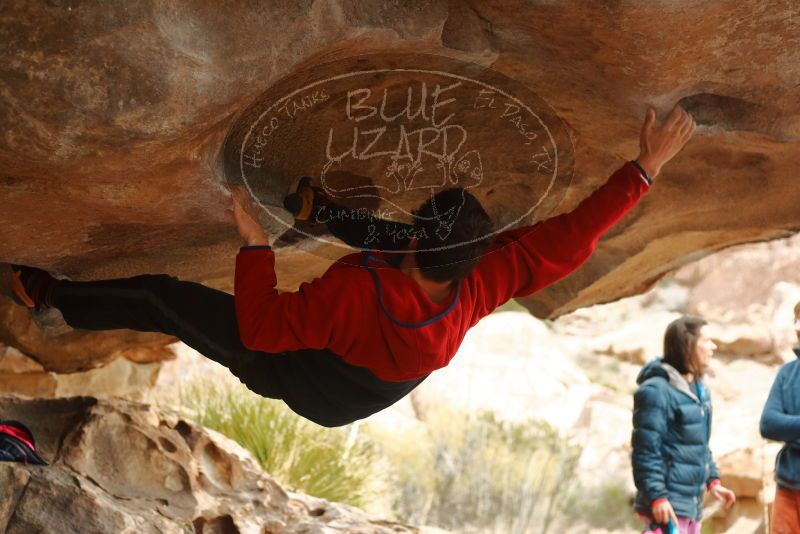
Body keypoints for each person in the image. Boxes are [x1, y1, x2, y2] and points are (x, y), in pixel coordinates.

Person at [10, 105, 695, 427]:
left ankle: (49, 294)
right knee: (378, 237)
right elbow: (574, 237)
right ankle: (323, 209)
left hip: (306, 381)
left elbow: (263, 327)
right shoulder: (482, 276)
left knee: (165, 301)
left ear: (414, 255)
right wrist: (646, 167)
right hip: (377, 368)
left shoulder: (353, 303)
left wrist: (252, 245)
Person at [632, 316, 736, 534]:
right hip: (667, 506)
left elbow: (698, 444)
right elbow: (645, 451)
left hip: (691, 506)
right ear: (688, 343)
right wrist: (657, 497)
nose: (713, 346)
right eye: (707, 340)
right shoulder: (656, 391)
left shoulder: (699, 390)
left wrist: (712, 481)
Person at [759, 301, 800, 534]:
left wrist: (791, 431)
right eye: (797, 320)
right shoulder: (787, 373)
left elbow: (779, 425)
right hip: (788, 485)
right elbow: (768, 424)